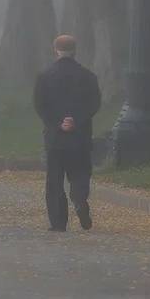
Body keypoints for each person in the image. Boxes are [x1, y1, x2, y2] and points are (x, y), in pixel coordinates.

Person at [33, 34, 101, 232]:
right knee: (80, 173)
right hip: (79, 137)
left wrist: (58, 124)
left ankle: (58, 222)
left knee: (54, 180)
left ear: (56, 50)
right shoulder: (88, 76)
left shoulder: (44, 76)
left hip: (55, 138)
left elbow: (40, 106)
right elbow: (94, 104)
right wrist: (76, 121)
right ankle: (79, 200)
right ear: (75, 51)